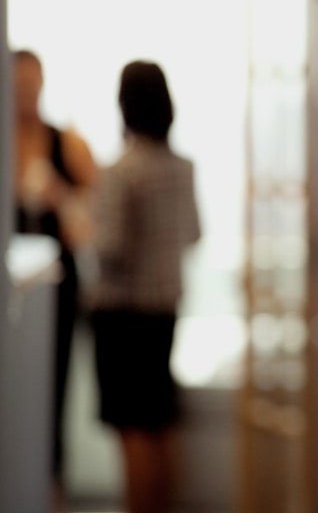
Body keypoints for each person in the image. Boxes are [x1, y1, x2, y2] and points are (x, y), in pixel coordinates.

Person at [89, 61, 200, 513]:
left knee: (131, 428)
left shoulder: (120, 171)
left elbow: (109, 248)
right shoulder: (183, 168)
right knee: (159, 423)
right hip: (164, 310)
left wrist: (81, 222)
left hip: (122, 313)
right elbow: (194, 233)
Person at [13, 49, 98, 502]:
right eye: (19, 84)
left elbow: (96, 223)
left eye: (33, 83)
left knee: (52, 395)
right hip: (11, 294)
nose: (27, 93)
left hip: (56, 294)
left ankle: (52, 490)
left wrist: (60, 196)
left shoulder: (67, 143)